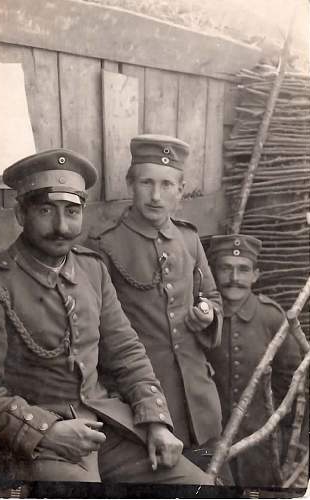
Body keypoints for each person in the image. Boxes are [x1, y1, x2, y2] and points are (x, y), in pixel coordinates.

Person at [0, 148, 215, 485]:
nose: (61, 226)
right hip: (39, 442)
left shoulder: (91, 270)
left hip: (107, 429)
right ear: (21, 214)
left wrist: (156, 421)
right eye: (45, 210)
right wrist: (46, 430)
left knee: (200, 486)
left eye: (72, 211)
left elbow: (126, 352)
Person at [87, 134, 227, 476]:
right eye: (146, 183)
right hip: (144, 405)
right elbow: (100, 331)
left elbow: (213, 298)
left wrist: (208, 314)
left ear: (180, 190)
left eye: (167, 185)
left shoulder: (189, 239)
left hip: (199, 399)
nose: (155, 195)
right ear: (130, 184)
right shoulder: (104, 245)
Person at [206, 234, 301, 487]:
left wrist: (275, 427)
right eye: (226, 268)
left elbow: (289, 377)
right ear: (214, 272)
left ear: (255, 275)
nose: (234, 278)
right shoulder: (204, 318)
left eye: (243, 270)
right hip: (210, 441)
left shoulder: (271, 317)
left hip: (259, 443)